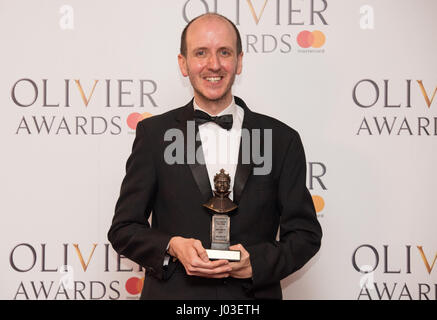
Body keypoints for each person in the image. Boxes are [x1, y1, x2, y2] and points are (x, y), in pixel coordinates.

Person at [108, 12, 322, 300]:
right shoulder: (154, 134)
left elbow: (305, 235)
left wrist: (255, 263)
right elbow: (124, 229)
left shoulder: (281, 139)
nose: (214, 65)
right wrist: (172, 245)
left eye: (224, 52)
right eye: (200, 53)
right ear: (183, 64)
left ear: (240, 61)